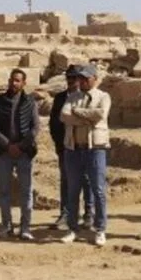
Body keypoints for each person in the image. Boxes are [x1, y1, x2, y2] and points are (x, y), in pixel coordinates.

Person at [57, 64, 112, 246]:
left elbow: (100, 114)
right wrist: (87, 119)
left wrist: (78, 112)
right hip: (74, 149)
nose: (81, 82)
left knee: (98, 190)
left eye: (85, 78)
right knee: (73, 190)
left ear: (95, 79)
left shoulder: (103, 97)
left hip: (95, 149)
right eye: (80, 78)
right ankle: (72, 228)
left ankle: (100, 229)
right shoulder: (72, 97)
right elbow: (64, 116)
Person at [0, 68, 40, 240]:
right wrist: (7, 145)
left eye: (18, 80)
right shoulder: (0, 101)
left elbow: (35, 127)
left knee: (26, 191)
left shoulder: (30, 102)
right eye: (12, 80)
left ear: (24, 83)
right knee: (4, 191)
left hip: (24, 152)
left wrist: (21, 145)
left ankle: (25, 227)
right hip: (4, 152)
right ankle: (6, 226)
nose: (14, 83)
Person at [47, 68, 89, 231]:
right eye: (69, 77)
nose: (71, 81)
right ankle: (66, 214)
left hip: (84, 145)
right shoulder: (60, 98)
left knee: (86, 180)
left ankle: (88, 214)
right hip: (65, 146)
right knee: (66, 181)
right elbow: (54, 123)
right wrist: (59, 144)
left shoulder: (87, 96)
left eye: (74, 78)